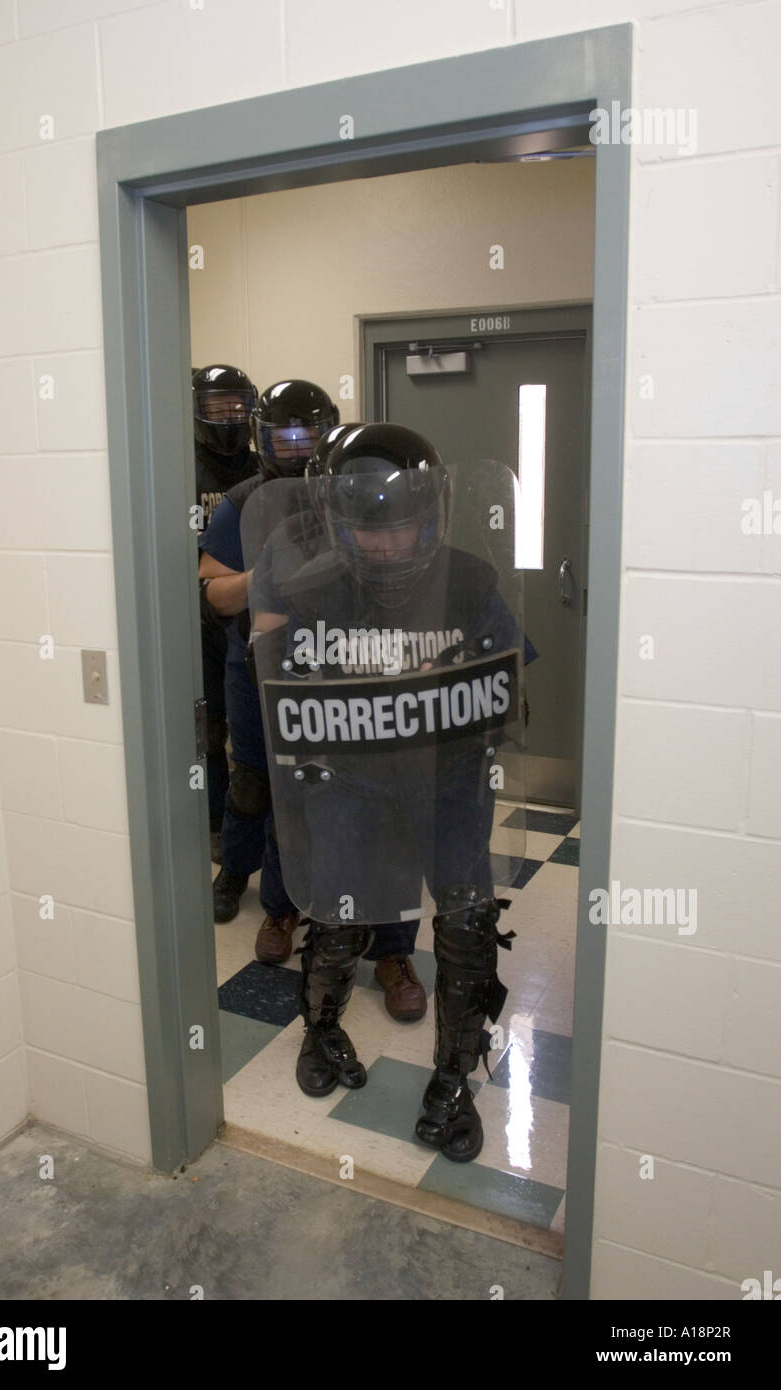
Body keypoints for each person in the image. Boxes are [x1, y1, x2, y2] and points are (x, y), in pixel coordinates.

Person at [246, 423, 537, 1162]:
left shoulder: (471, 582)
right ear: (339, 526)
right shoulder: (312, 589)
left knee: (468, 927)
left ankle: (453, 1079)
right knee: (338, 916)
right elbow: (286, 697)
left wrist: (487, 705)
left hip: (451, 785)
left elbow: (514, 682)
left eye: (398, 527)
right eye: (366, 531)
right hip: (353, 782)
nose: (383, 546)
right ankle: (320, 1029)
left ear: (429, 516)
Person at [198, 379, 339, 964]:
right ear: (263, 440)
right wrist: (267, 575)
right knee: (253, 776)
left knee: (313, 783)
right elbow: (214, 596)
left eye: (308, 437)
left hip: (333, 660)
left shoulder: (351, 490)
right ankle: (235, 871)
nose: (298, 449)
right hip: (253, 655)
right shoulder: (242, 501)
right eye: (284, 439)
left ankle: (297, 899)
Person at [191, 364, 258, 862]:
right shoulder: (179, 465)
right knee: (211, 725)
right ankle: (215, 822)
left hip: (252, 616)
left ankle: (254, 829)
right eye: (219, 408)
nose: (230, 416)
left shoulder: (264, 468)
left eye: (238, 405)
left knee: (255, 733)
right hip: (195, 616)